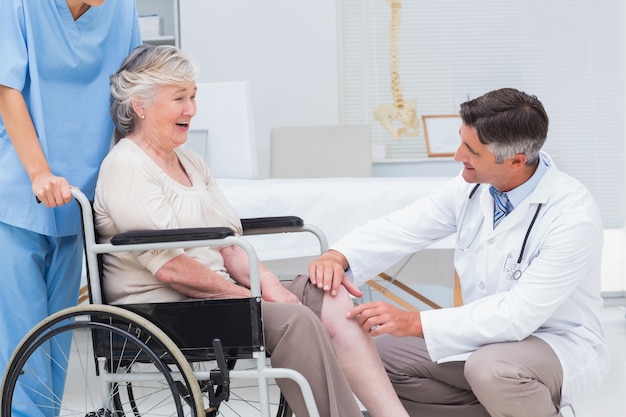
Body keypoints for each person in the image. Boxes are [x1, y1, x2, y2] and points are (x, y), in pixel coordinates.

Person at [94, 44, 410, 417]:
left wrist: (269, 287)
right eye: (179, 98)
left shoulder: (190, 161)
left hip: (212, 296)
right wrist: (249, 297)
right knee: (296, 320)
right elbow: (172, 268)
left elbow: (230, 246)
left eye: (193, 96)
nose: (191, 110)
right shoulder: (127, 165)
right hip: (165, 307)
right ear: (139, 105)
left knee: (331, 296)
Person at [309, 87, 609, 416]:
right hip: (482, 338)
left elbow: (517, 316)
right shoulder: (472, 188)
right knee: (372, 359)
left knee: (492, 369)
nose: (456, 155)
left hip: (555, 343)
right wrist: (340, 255)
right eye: (460, 141)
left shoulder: (571, 216)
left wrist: (411, 322)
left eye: (470, 150)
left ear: (515, 161)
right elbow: (403, 227)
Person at [0, 1, 141, 415]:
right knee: (20, 336)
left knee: (56, 337)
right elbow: (7, 89)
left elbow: (131, 98)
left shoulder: (121, 11)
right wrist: (40, 173)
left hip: (80, 198)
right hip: (19, 190)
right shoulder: (18, 6)